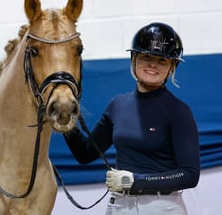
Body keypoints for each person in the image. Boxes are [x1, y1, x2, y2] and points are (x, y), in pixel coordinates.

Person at [63, 22, 200, 215]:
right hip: (119, 205)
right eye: (146, 57)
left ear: (172, 66)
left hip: (162, 207)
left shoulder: (179, 111)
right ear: (134, 59)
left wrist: (136, 181)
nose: (153, 64)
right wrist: (67, 125)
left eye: (162, 60)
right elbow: (86, 154)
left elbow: (190, 174)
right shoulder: (118, 105)